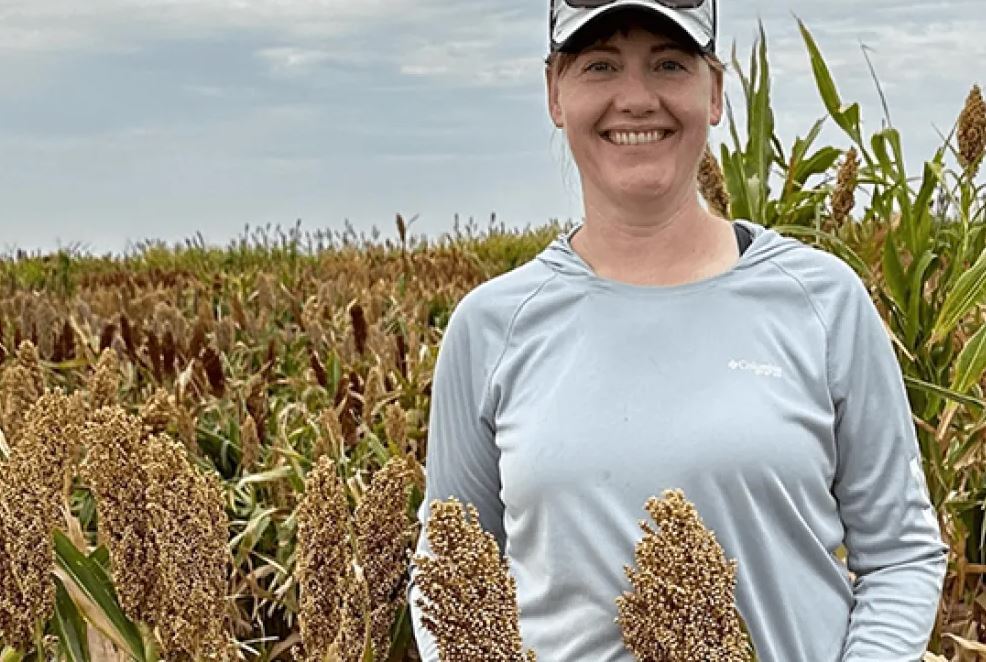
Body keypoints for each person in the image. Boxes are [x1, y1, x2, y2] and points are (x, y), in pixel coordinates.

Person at [407, 1, 948, 660]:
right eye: (600, 65)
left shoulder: (823, 301)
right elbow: (451, 570)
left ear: (714, 92)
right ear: (554, 91)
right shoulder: (490, 328)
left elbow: (901, 555)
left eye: (668, 64)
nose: (635, 99)